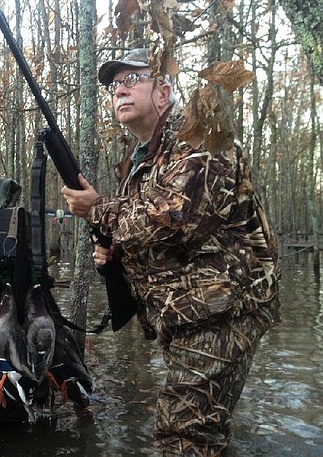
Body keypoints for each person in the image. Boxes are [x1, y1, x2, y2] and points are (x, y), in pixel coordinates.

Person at [62, 48, 280, 456]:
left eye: (132, 80)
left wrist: (98, 209)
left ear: (163, 92)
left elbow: (175, 219)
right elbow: (145, 231)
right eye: (114, 86)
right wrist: (115, 253)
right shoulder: (142, 158)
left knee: (184, 439)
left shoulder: (199, 138)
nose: (119, 92)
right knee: (202, 432)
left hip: (222, 311)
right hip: (189, 313)